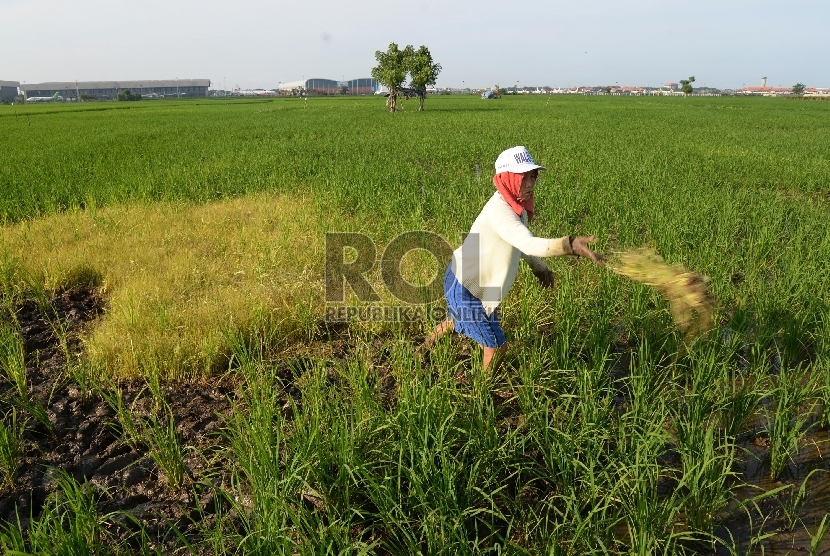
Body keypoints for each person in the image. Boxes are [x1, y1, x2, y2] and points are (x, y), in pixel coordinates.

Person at [423, 145, 604, 371]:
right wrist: (569, 245)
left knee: (456, 321)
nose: (529, 183)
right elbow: (527, 242)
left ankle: (422, 349)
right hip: (466, 287)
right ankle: (482, 394)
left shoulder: (515, 206)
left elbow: (520, 243)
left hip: (468, 281)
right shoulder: (501, 211)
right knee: (496, 347)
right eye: (523, 177)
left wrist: (539, 267)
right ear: (507, 178)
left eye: (532, 176)